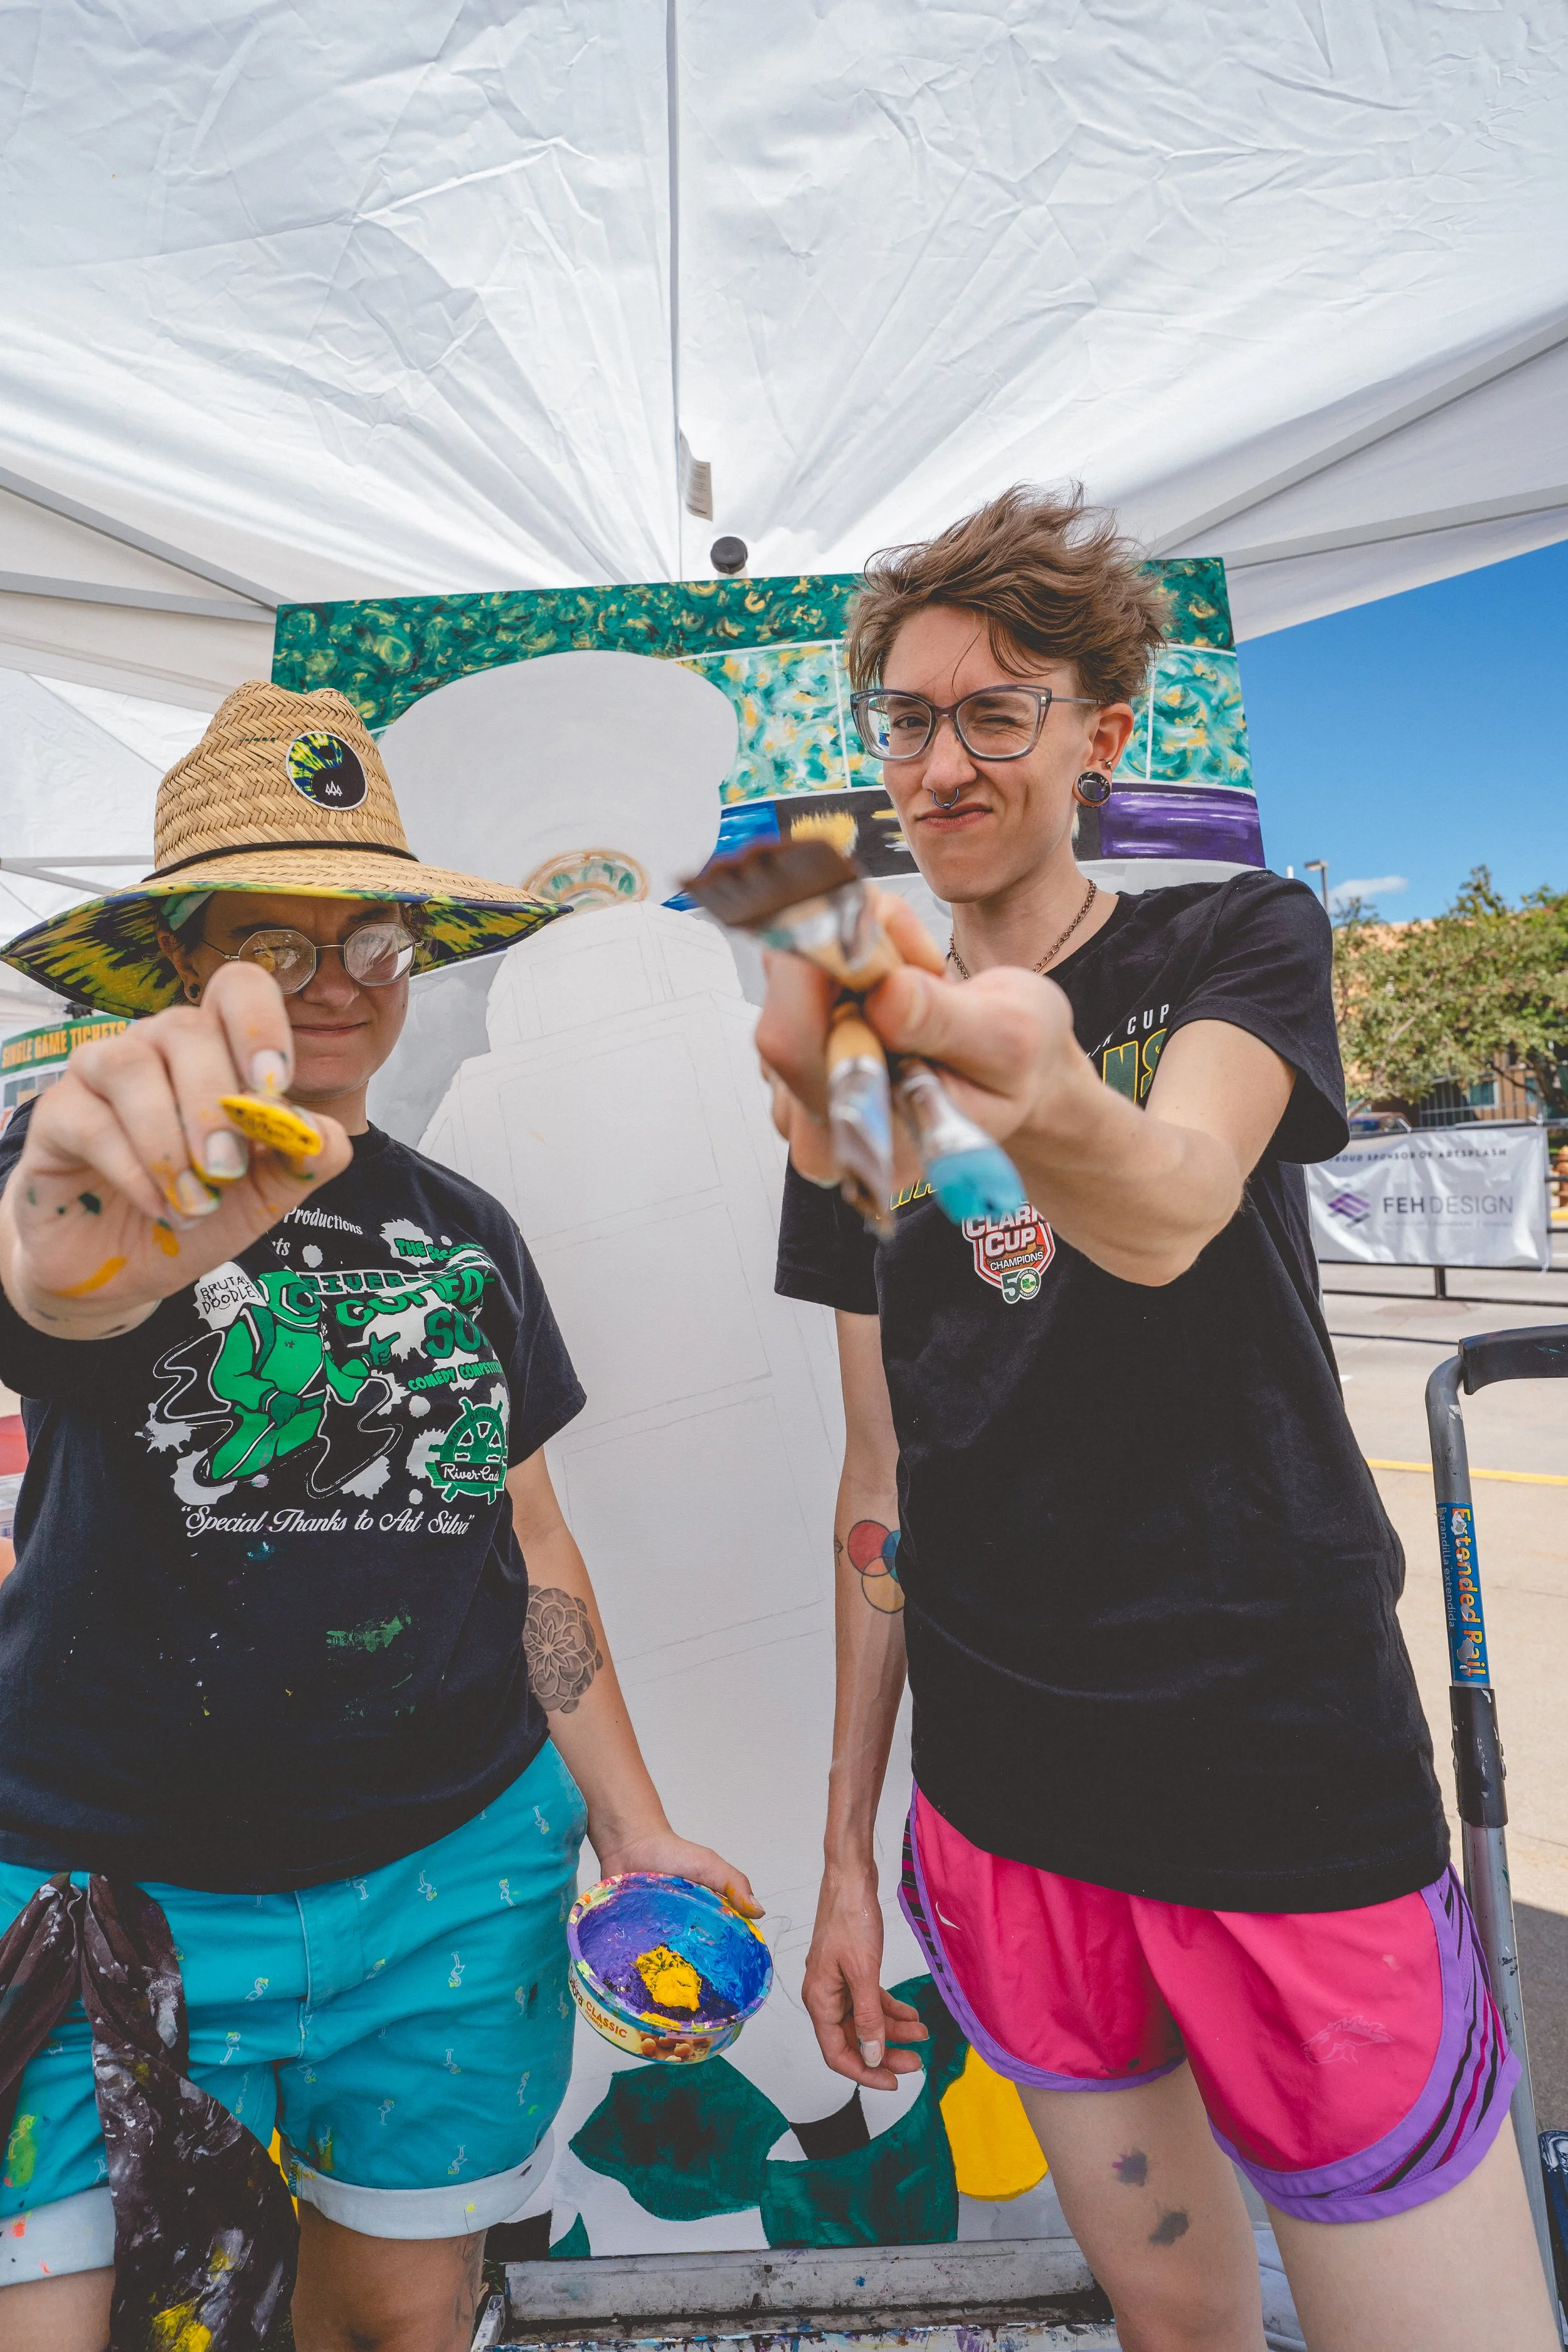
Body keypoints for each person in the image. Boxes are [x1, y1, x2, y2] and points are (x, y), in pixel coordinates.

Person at [760, 489, 1556, 2351]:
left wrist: (1035, 1079)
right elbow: (878, 1485)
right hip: (1007, 1792)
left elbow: (1172, 1198)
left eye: (994, 710)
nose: (937, 759)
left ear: (1099, 735)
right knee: (1173, 2323)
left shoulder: (1229, 942)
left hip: (1275, 1774)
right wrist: (837, 1852)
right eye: (904, 716)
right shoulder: (861, 1051)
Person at [0, 682, 756, 2352]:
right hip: (105, 1882)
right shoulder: (98, 1179)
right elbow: (47, 1278)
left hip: (449, 1878)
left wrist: (630, 1827)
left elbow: (534, 1551)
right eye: (284, 940)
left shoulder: (468, 1233)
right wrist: (62, 1246)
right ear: (194, 964)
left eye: (375, 942)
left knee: (399, 2324)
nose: (339, 983)